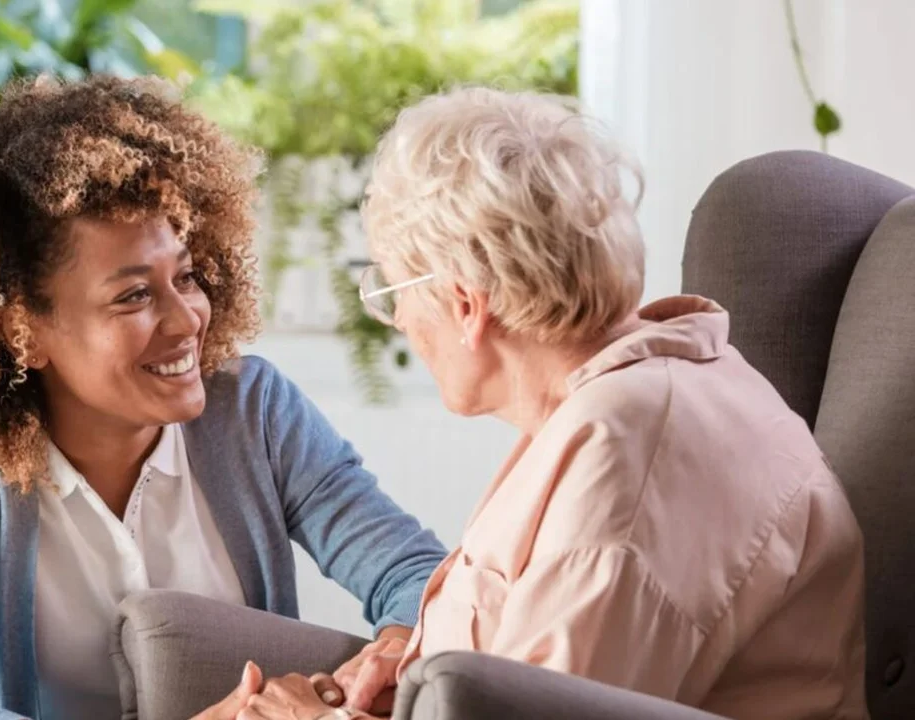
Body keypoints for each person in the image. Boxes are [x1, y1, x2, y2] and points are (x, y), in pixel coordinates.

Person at [227, 87, 868, 720]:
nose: (398, 320)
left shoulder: (626, 452)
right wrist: (422, 675)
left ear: (465, 303)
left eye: (394, 291)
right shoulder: (632, 399)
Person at [0, 74, 447, 720]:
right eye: (134, 295)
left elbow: (422, 577)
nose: (188, 318)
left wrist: (393, 653)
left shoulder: (255, 413)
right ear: (23, 333)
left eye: (186, 277)